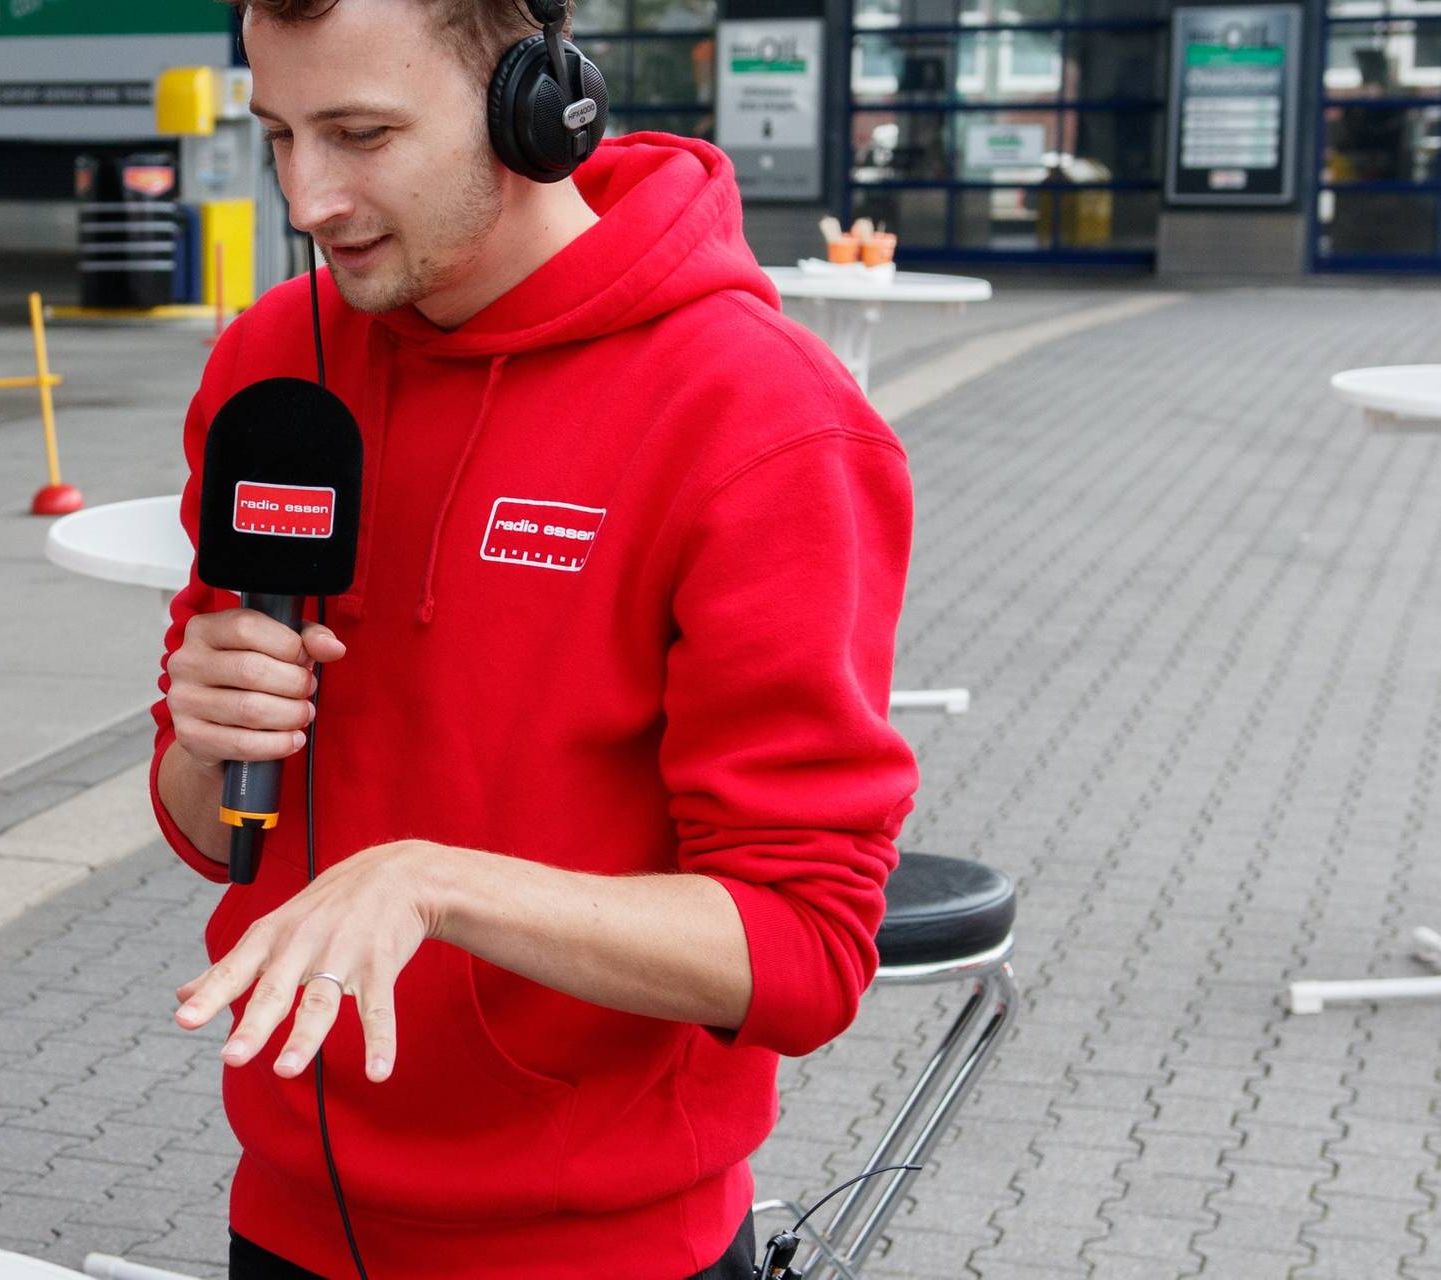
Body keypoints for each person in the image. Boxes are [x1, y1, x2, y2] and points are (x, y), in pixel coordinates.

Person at [150, 2, 914, 1277]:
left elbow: (806, 948)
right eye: (279, 133)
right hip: (284, 1220)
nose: (308, 198)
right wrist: (206, 734)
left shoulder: (758, 414)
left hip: (606, 1248)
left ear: (538, 107)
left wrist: (434, 884)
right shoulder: (276, 364)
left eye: (360, 134)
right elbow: (209, 826)